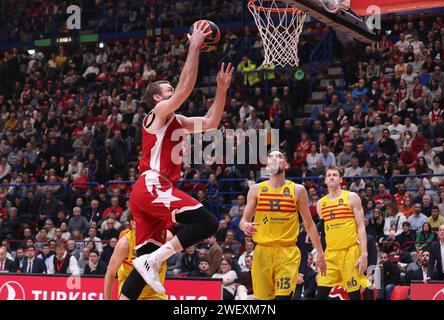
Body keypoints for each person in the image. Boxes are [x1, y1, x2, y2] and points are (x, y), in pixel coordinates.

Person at [128, 23, 234, 297]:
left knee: (142, 266)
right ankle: (154, 259)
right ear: (156, 97)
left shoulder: (178, 120)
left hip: (149, 193)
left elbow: (210, 122)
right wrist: (194, 47)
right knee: (208, 223)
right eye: (168, 89)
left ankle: (146, 266)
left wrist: (221, 90)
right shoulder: (157, 114)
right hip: (152, 184)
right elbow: (184, 91)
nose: (172, 91)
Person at [239, 149, 326, 300]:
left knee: (283, 298)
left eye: (278, 157)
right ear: (266, 166)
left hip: (287, 252)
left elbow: (310, 224)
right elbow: (243, 221)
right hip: (261, 252)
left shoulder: (297, 190)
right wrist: (245, 225)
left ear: (286, 165)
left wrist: (320, 253)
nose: (274, 159)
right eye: (270, 157)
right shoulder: (256, 190)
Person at [315, 166, 370, 300]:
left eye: (335, 175)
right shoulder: (321, 204)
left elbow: (361, 226)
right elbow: (323, 233)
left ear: (340, 179)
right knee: (320, 293)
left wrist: (364, 253)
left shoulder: (352, 197)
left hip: (350, 252)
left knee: (354, 294)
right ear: (325, 180)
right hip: (330, 254)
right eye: (329, 175)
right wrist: (321, 255)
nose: (332, 177)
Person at [104, 213, 173, 300]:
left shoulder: (166, 237)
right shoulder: (125, 244)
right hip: (128, 296)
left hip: (155, 296)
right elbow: (110, 273)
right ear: (133, 223)